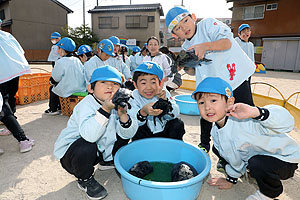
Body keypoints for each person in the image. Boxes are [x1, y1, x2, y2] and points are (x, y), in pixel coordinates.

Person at [165, 6, 256, 165]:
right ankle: (208, 146)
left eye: (185, 21)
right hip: (214, 86)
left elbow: (227, 42)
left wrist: (205, 46)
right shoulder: (186, 48)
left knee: (246, 114)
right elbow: (195, 71)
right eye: (178, 28)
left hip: (236, 78)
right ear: (174, 34)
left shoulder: (207, 25)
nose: (184, 27)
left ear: (193, 17)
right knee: (209, 114)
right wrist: (187, 67)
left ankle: (251, 151)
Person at [192, 77, 300, 200]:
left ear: (229, 102)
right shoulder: (216, 132)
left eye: (213, 100)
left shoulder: (247, 119)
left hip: (285, 159)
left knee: (256, 163)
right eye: (201, 102)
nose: (207, 107)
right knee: (217, 149)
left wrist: (257, 113)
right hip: (259, 159)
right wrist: (231, 179)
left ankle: (269, 193)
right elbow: (233, 158)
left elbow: (287, 123)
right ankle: (255, 172)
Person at [54, 65, 138, 200]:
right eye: (103, 82)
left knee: (123, 131)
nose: (110, 87)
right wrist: (105, 110)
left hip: (100, 150)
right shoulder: (85, 105)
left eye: (115, 84)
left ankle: (105, 161)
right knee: (88, 144)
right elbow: (89, 135)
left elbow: (128, 135)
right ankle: (85, 179)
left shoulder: (119, 103)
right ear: (90, 88)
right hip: (73, 155)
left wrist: (123, 116)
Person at [128, 61, 185, 141]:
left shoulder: (163, 93)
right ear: (135, 85)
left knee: (177, 124)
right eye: (143, 83)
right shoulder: (133, 97)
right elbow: (132, 121)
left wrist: (165, 102)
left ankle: (174, 147)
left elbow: (175, 113)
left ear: (160, 83)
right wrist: (143, 112)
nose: (148, 87)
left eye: (153, 82)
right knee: (137, 128)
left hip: (164, 133)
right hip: (145, 135)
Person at [0, 29, 34, 153]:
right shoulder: (7, 35)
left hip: (3, 75)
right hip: (14, 71)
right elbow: (20, 51)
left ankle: (22, 140)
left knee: (3, 106)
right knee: (8, 99)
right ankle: (17, 133)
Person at [45, 37, 86, 115]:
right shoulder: (77, 60)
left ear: (62, 50)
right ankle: (61, 107)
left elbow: (56, 78)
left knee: (53, 89)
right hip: (80, 87)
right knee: (59, 87)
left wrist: (52, 81)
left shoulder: (60, 61)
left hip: (69, 88)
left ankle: (53, 109)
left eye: (58, 48)